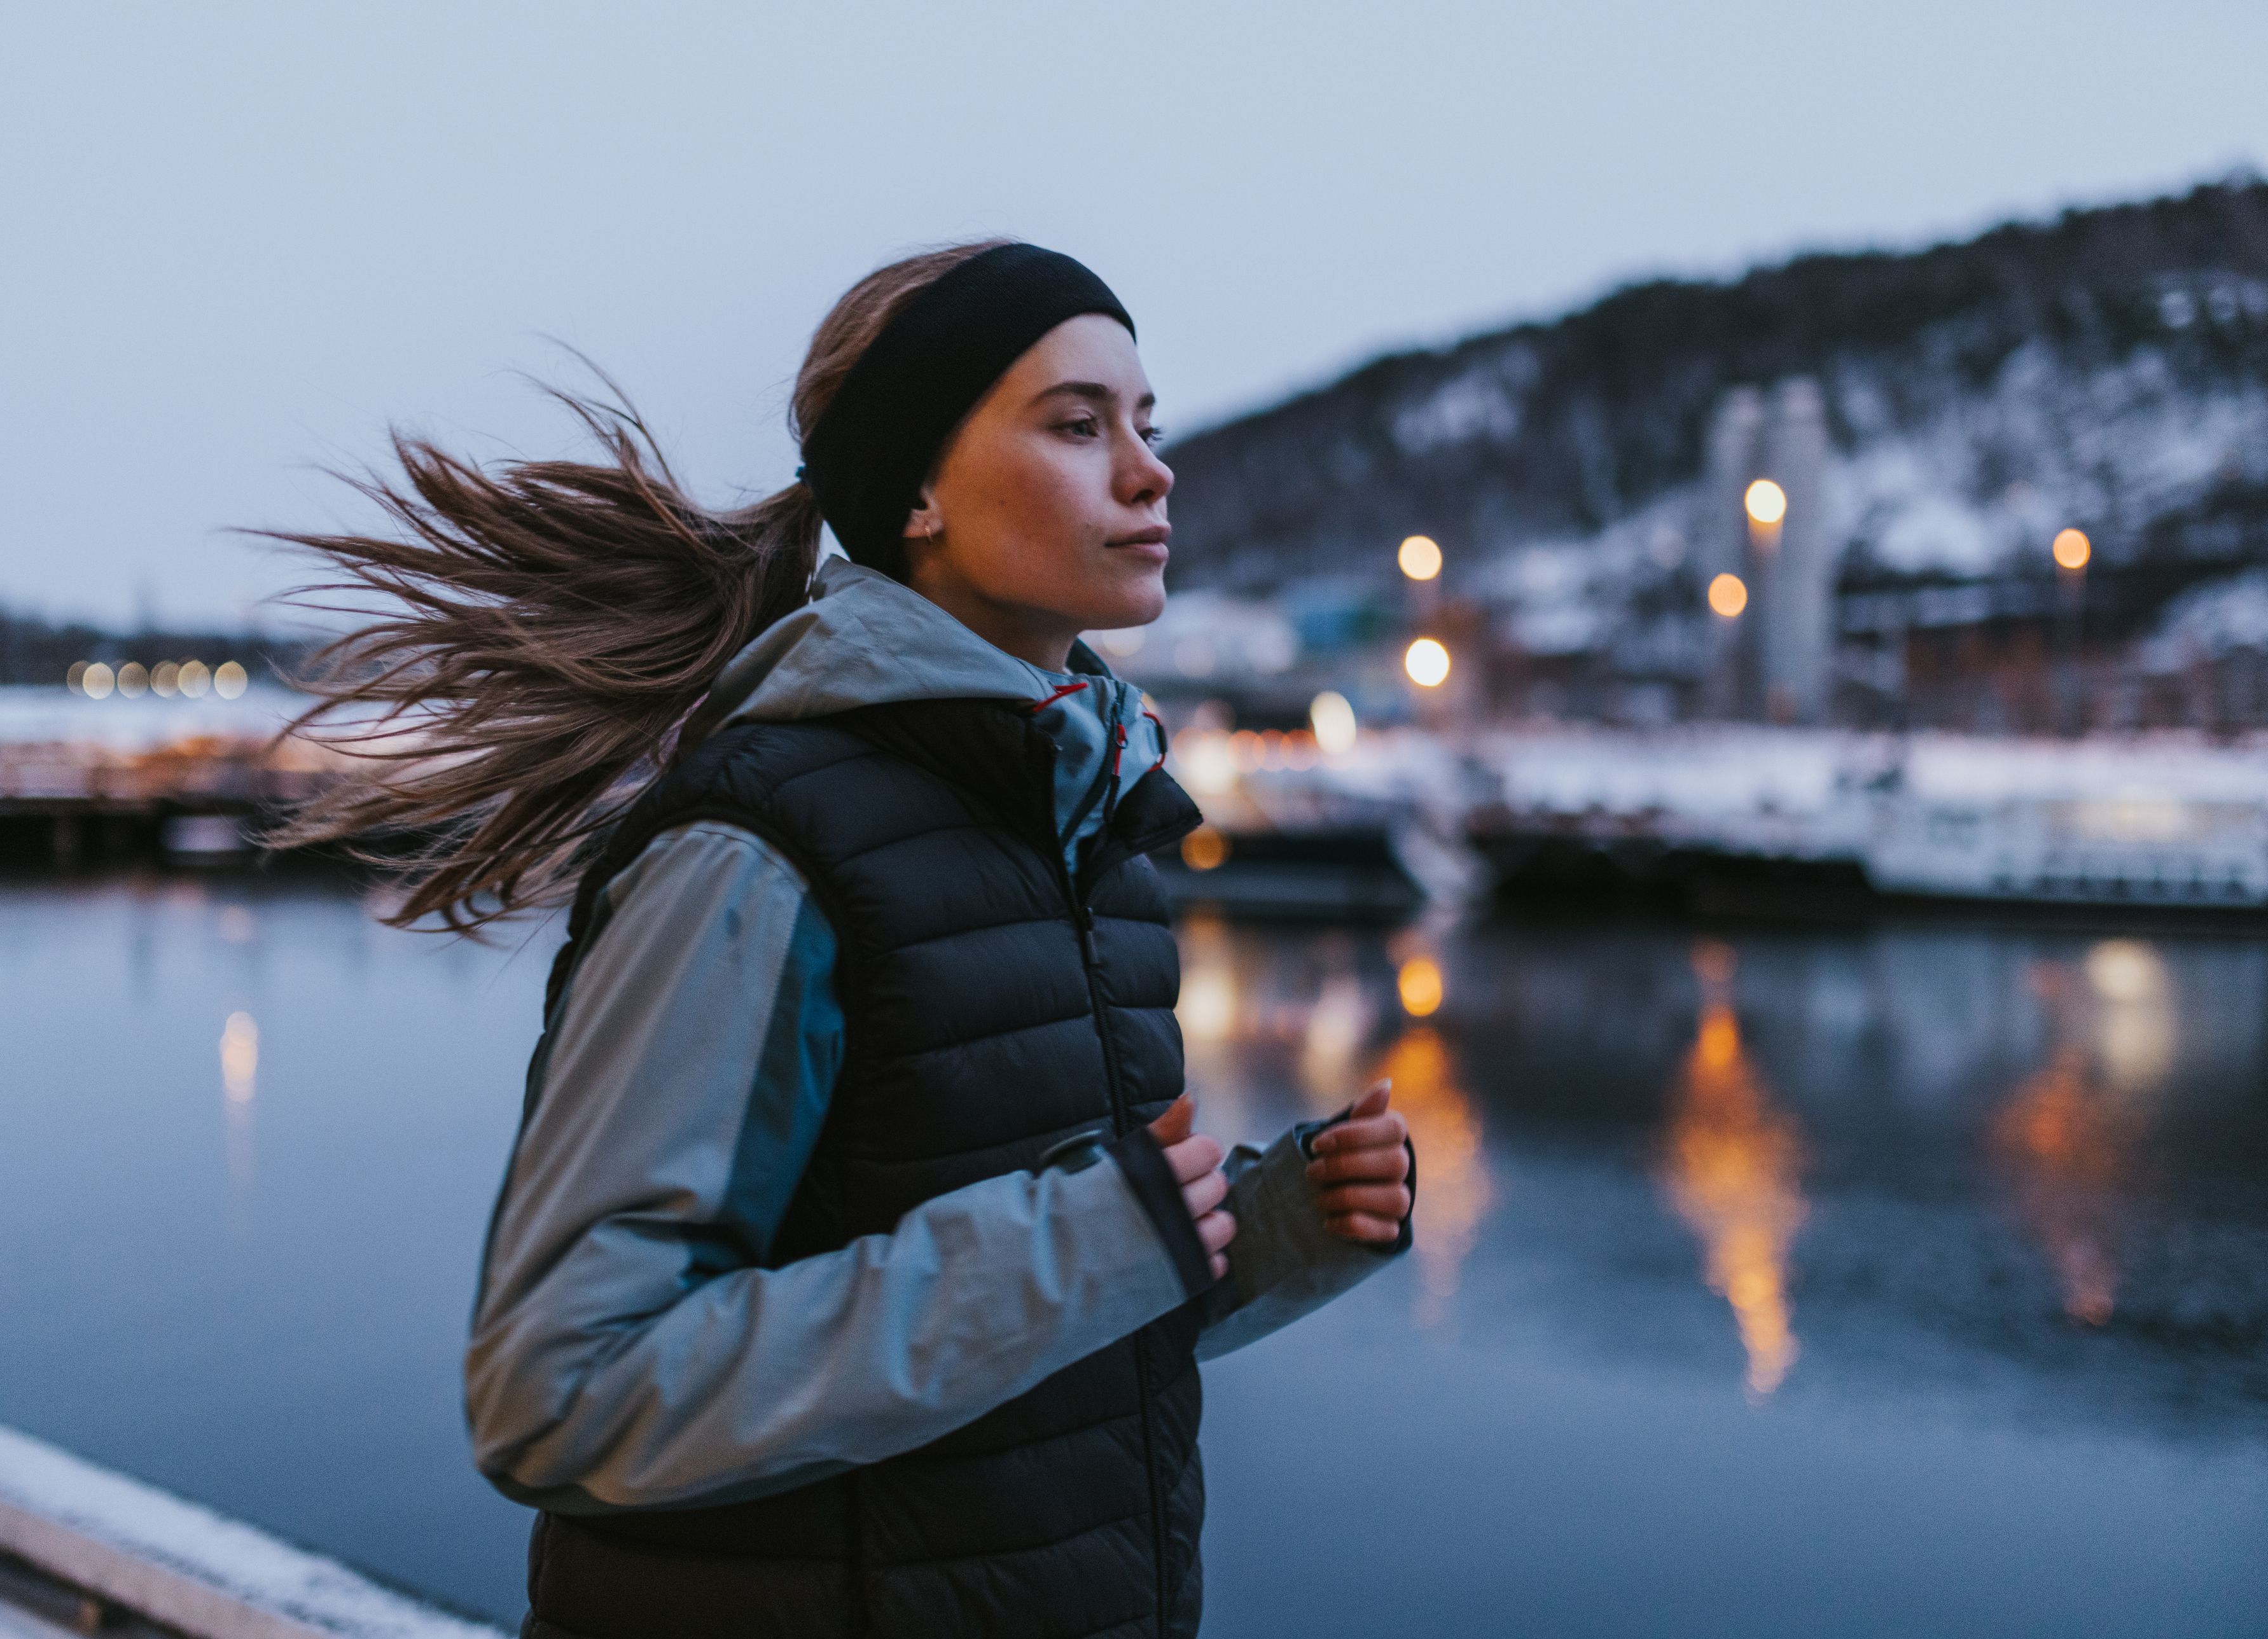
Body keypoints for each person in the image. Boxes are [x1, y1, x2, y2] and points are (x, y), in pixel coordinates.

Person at [273, 240, 1416, 1639]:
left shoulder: (1091, 832)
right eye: (1077, 423)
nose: (1148, 470)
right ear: (918, 489)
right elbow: (561, 1394)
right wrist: (1087, 1241)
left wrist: (1270, 1224)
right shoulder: (756, 853)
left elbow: (1037, 1328)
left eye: (1145, 423)